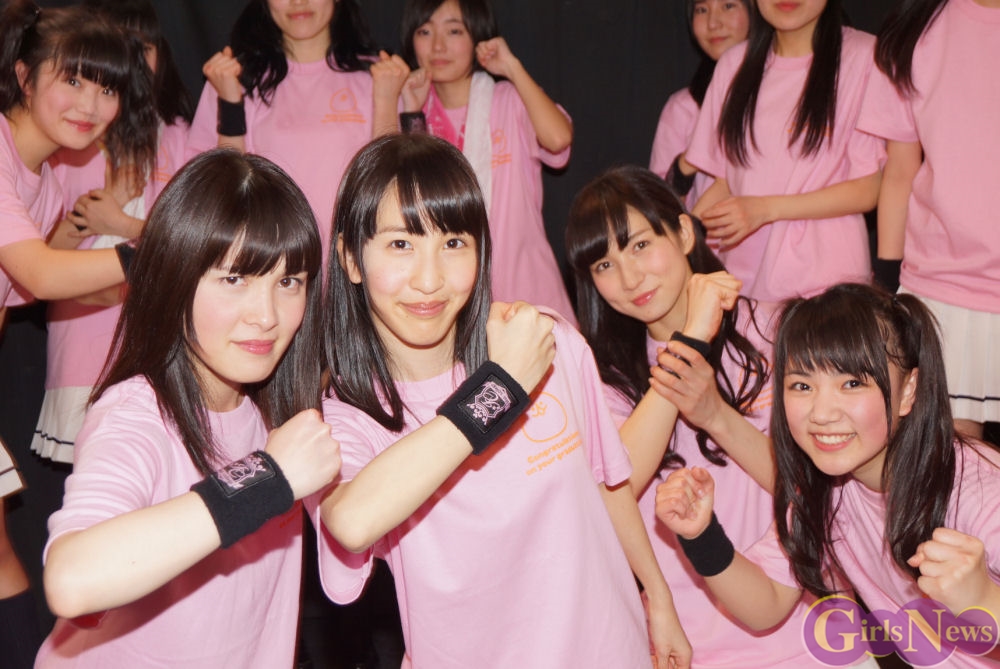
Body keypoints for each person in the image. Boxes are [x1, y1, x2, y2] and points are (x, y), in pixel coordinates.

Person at [306, 133, 691, 669]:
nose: (429, 279)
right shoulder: (345, 416)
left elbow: (607, 485)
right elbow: (350, 522)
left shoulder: (542, 340)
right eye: (400, 245)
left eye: (453, 243)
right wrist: (499, 388)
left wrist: (659, 597)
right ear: (351, 258)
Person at [35, 149, 341, 668]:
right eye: (234, 279)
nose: (266, 315)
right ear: (174, 280)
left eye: (288, 282)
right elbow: (71, 580)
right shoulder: (137, 413)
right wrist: (267, 478)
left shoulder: (279, 413)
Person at [566, 165, 830, 668]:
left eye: (641, 245)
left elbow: (817, 486)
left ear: (684, 233)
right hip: (682, 644)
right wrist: (691, 338)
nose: (629, 278)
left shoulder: (776, 331)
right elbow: (616, 487)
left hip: (801, 628)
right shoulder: (599, 381)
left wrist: (715, 415)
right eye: (604, 264)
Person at [657, 283, 1000, 668]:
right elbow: (767, 604)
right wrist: (701, 536)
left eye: (851, 383)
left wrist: (986, 601)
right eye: (802, 385)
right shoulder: (826, 488)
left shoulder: (978, 489)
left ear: (908, 391)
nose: (821, 413)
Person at [0, 2, 156, 666]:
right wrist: (156, 250)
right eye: (73, 79)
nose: (91, 105)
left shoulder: (41, 175)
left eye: (108, 87)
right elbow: (38, 271)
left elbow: (32, 288)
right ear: (23, 75)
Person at [32, 0, 194, 464]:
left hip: (162, 350)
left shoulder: (179, 136)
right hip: (85, 348)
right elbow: (38, 259)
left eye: (143, 45)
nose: (133, 57)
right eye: (120, 45)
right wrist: (102, 207)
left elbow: (201, 238)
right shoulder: (69, 143)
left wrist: (120, 222)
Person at [858, 0, 1000, 440]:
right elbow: (900, 171)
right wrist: (886, 286)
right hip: (943, 288)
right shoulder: (916, 29)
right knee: (958, 465)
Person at [686, 0, 883, 302]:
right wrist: (682, 238)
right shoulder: (734, 63)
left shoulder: (865, 56)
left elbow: (867, 189)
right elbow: (726, 182)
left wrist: (766, 209)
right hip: (741, 283)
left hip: (828, 289)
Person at [395, 0, 577, 323]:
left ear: (477, 38)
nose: (438, 46)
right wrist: (410, 112)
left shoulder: (509, 99)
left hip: (529, 296)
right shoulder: (412, 111)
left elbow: (559, 139)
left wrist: (512, 67)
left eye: (454, 31)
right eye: (425, 31)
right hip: (450, 306)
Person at [189, 0, 389, 263]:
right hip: (269, 265)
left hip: (356, 267)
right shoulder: (232, 79)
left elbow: (396, 183)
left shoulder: (381, 76)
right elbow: (215, 193)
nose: (298, 2)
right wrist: (230, 104)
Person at [649, 0, 750, 209]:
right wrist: (687, 162)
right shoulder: (684, 106)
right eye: (702, 10)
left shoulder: (782, 89)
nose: (713, 23)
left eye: (728, 6)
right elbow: (657, 206)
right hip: (703, 228)